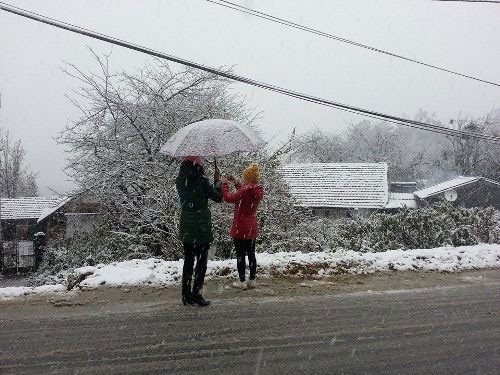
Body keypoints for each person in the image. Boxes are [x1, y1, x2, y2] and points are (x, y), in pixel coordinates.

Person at [176, 156, 222, 306]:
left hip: (187, 227)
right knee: (201, 263)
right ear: (197, 166)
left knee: (188, 261)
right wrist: (217, 181)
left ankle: (185, 295)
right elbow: (218, 197)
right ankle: (197, 294)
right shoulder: (202, 182)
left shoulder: (180, 182)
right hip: (201, 227)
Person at [222, 163, 264, 290]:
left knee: (240, 255)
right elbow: (244, 191)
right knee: (251, 254)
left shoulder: (245, 190)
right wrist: (235, 182)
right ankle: (252, 279)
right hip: (251, 227)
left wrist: (225, 184)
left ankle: (242, 281)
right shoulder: (257, 189)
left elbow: (229, 198)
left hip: (240, 227)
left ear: (247, 177)